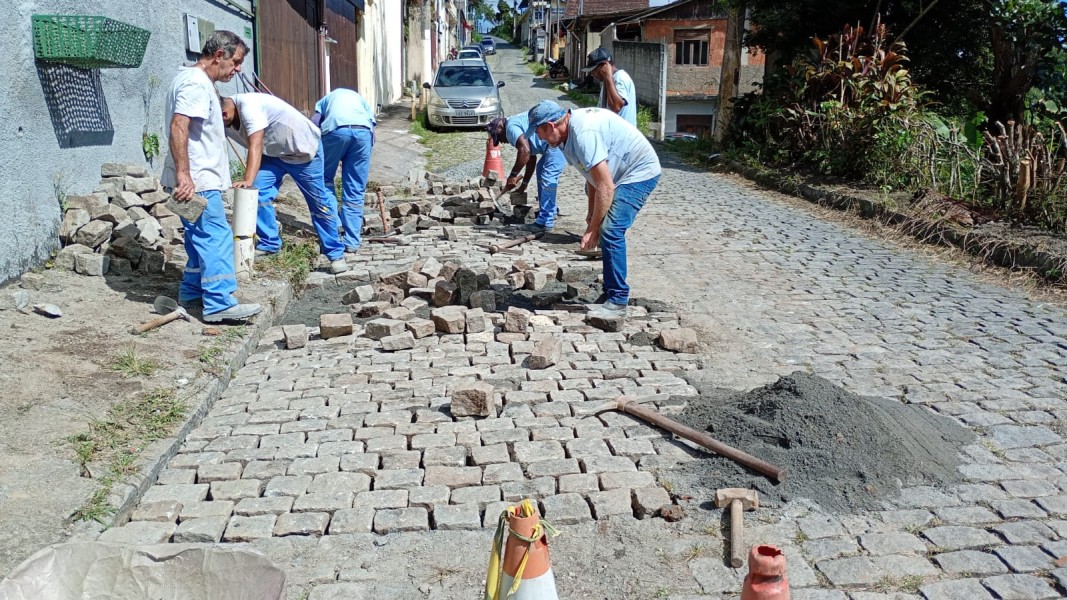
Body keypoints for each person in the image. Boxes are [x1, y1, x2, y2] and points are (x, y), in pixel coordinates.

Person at [161, 30, 262, 323]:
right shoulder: (195, 83)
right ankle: (219, 303)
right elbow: (179, 126)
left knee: (198, 240)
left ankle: (192, 292)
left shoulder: (192, 80)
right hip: (198, 181)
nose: (238, 69)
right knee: (215, 237)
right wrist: (184, 175)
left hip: (195, 179)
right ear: (219, 55)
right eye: (236, 62)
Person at [526, 101, 661, 318]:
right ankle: (609, 294)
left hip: (639, 171)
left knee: (611, 230)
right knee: (602, 224)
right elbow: (591, 176)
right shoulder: (564, 137)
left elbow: (605, 186)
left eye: (539, 132)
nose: (539, 139)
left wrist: (593, 229)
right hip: (615, 175)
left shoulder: (583, 134)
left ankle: (618, 300)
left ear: (550, 126)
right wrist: (591, 215)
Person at [221, 93, 349, 275]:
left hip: (303, 151)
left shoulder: (249, 107)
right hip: (273, 155)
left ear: (224, 114)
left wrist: (247, 179)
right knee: (256, 193)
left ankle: (335, 254)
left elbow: (256, 144)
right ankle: (270, 243)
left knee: (318, 203)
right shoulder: (220, 118)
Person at [313, 88, 377, 253]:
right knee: (355, 188)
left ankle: (334, 229)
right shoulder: (360, 100)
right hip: (363, 133)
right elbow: (372, 125)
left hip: (335, 131)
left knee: (324, 179)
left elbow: (314, 123)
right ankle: (352, 241)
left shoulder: (324, 101)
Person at [485, 112, 567, 232]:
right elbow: (530, 157)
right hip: (551, 144)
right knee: (541, 171)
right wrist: (524, 184)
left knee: (547, 176)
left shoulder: (511, 128)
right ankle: (550, 211)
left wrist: (513, 175)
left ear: (500, 128)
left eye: (499, 137)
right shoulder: (514, 125)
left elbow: (525, 151)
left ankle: (545, 222)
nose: (502, 141)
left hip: (556, 141)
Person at [583, 48, 637, 127]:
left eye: (593, 70)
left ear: (604, 66)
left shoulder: (620, 78)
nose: (592, 74)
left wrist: (608, 77)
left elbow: (616, 107)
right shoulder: (608, 81)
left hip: (622, 133)